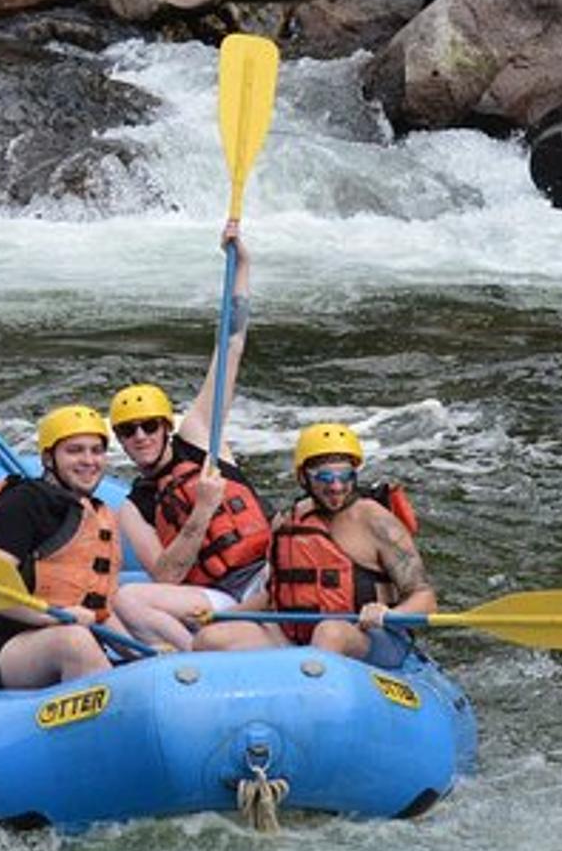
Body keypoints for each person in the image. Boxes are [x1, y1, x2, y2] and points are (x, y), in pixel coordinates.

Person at [108, 224, 272, 650]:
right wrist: (201, 512)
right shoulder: (134, 507)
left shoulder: (200, 434)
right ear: (120, 441)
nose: (140, 436)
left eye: (149, 426)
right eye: (128, 431)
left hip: (266, 573)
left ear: (166, 426)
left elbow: (232, 342)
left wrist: (241, 265)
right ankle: (191, 659)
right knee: (128, 598)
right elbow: (166, 576)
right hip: (215, 594)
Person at [195, 423, 434, 668]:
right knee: (210, 639)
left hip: (369, 637)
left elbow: (423, 596)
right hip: (298, 634)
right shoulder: (286, 521)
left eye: (345, 476)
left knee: (330, 633)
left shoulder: (378, 523)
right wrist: (219, 617)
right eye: (325, 477)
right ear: (303, 477)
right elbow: (274, 595)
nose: (337, 487)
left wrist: (391, 615)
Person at [0, 405, 121, 691]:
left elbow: (100, 611)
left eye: (96, 451)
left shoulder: (98, 514)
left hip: (50, 641)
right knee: (73, 641)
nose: (89, 460)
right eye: (75, 451)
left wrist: (146, 656)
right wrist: (49, 617)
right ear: (48, 458)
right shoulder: (24, 503)